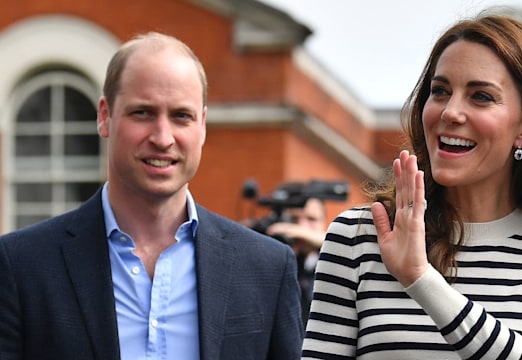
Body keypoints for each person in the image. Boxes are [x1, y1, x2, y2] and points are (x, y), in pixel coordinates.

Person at [302, 12, 522, 360]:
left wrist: (422, 281)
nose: (450, 112)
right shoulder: (358, 236)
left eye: (481, 96)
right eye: (440, 91)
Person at [0, 32, 303, 360]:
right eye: (143, 113)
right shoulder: (21, 265)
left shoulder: (268, 268)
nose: (162, 137)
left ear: (202, 125)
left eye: (181, 116)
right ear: (105, 116)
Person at [266, 197, 326, 325]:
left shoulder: (329, 258)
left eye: (311, 219)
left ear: (324, 223)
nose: (302, 225)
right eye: (295, 219)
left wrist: (297, 232)